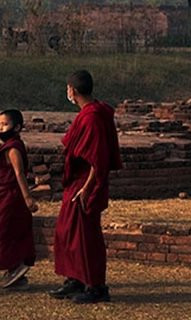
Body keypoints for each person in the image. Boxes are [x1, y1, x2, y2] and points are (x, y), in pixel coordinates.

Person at [48, 70, 123, 304]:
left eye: (68, 89)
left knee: (86, 236)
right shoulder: (90, 113)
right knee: (67, 233)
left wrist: (88, 188)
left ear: (74, 90)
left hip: (85, 184)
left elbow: (97, 159)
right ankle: (75, 279)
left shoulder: (92, 117)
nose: (67, 92)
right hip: (77, 182)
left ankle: (96, 286)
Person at [0, 109, 38, 290]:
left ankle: (17, 265)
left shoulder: (13, 148)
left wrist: (28, 198)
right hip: (2, 195)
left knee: (4, 231)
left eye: (5, 124)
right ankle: (14, 270)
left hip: (12, 197)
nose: (1, 128)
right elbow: (6, 174)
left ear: (17, 127)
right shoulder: (9, 146)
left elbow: (19, 173)